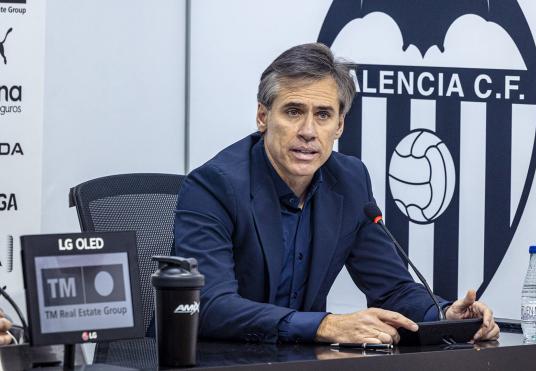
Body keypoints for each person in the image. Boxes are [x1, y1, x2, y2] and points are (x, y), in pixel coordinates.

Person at [174, 43, 499, 344]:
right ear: (263, 117)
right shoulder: (213, 186)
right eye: (293, 111)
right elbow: (209, 306)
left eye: (323, 115)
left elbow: (392, 289)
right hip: (212, 358)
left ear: (340, 125)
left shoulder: (349, 181)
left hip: (296, 360)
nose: (308, 131)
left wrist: (443, 315)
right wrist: (324, 325)